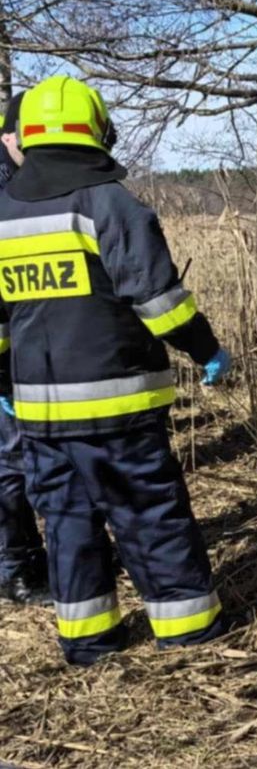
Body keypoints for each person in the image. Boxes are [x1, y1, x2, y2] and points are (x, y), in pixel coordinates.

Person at [0, 75, 232, 665]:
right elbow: (159, 301)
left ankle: (88, 641)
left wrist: (4, 385)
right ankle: (187, 632)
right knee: (149, 514)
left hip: (41, 416)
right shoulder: (110, 203)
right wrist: (205, 350)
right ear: (97, 128)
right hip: (120, 408)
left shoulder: (2, 214)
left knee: (67, 523)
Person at [0, 92, 49, 605]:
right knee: (9, 469)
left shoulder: (24, 181)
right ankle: (18, 570)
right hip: (6, 367)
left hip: (26, 358)